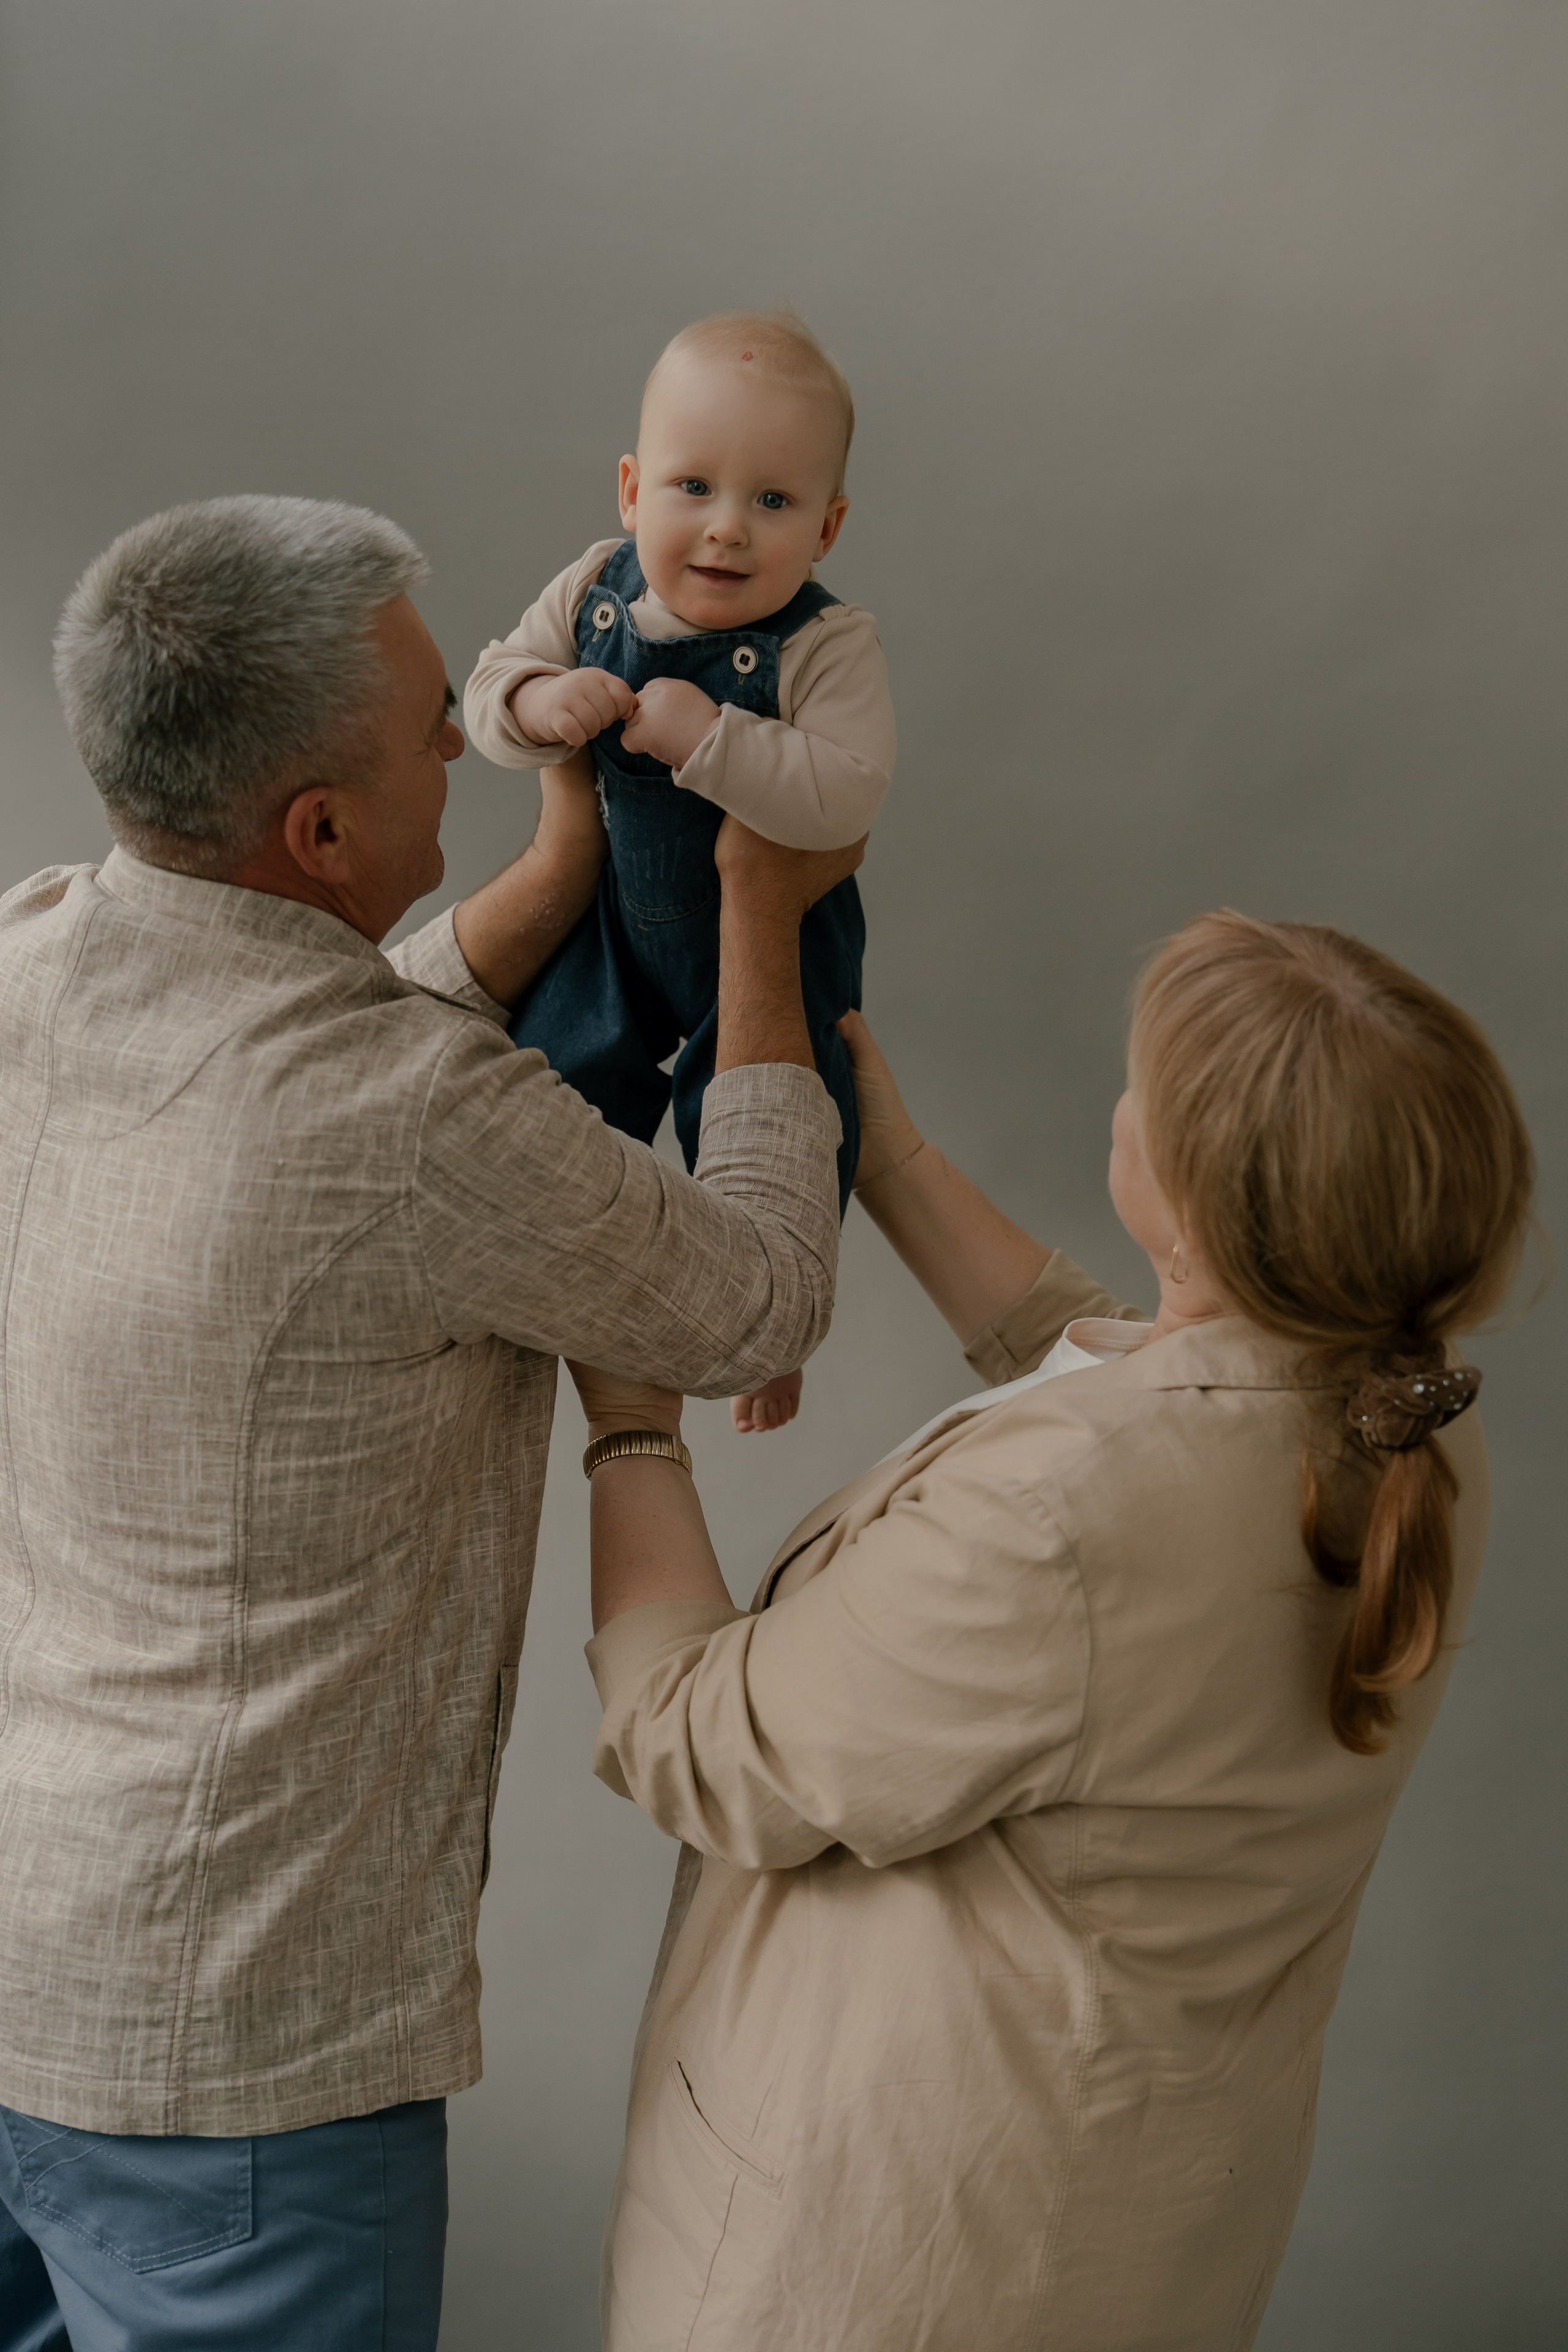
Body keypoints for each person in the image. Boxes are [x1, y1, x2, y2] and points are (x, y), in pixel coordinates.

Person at [0, 494, 858, 2352]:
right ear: (319, 832)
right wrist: (761, 925)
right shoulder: (412, 1128)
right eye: (423, 742)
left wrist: (551, 872)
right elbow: (759, 1300)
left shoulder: (40, 946)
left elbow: (279, 1048)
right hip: (237, 2059)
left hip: (25, 1957)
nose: (464, 753)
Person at [568, 913, 1534, 2352]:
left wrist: (629, 1434)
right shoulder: (1401, 1432)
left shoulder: (1062, 1519)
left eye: (1141, 1083)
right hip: (1111, 2231)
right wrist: (886, 1163)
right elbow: (1129, 1375)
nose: (1119, 1099)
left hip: (890, 2270)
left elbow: (699, 1739)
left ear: (1198, 1214)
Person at [464, 308, 896, 1435]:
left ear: (829, 526)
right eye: (691, 488)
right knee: (546, 1083)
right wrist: (534, 702)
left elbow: (849, 789)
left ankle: (776, 1323)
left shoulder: (825, 645)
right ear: (629, 490)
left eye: (773, 502)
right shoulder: (590, 591)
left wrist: (713, 739)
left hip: (770, 935)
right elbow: (486, 687)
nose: (725, 532)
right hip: (608, 922)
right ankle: (521, 1284)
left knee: (784, 1115)